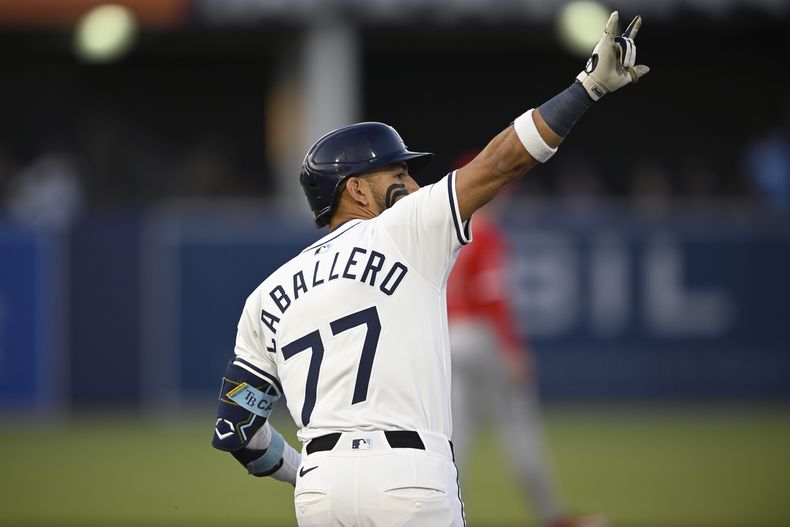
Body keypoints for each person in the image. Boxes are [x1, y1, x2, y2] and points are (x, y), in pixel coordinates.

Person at [211, 11, 647, 526]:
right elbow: (502, 162)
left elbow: (237, 427)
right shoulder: (405, 230)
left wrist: (300, 469)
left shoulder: (267, 295)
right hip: (408, 478)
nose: (413, 186)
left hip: (319, 493)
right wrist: (586, 89)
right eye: (397, 173)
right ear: (355, 188)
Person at [446, 172, 601, 527]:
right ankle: (554, 517)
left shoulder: (452, 237)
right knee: (518, 429)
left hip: (449, 340)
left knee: (455, 441)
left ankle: (447, 518)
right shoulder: (486, 234)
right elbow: (493, 300)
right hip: (482, 338)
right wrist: (512, 349)